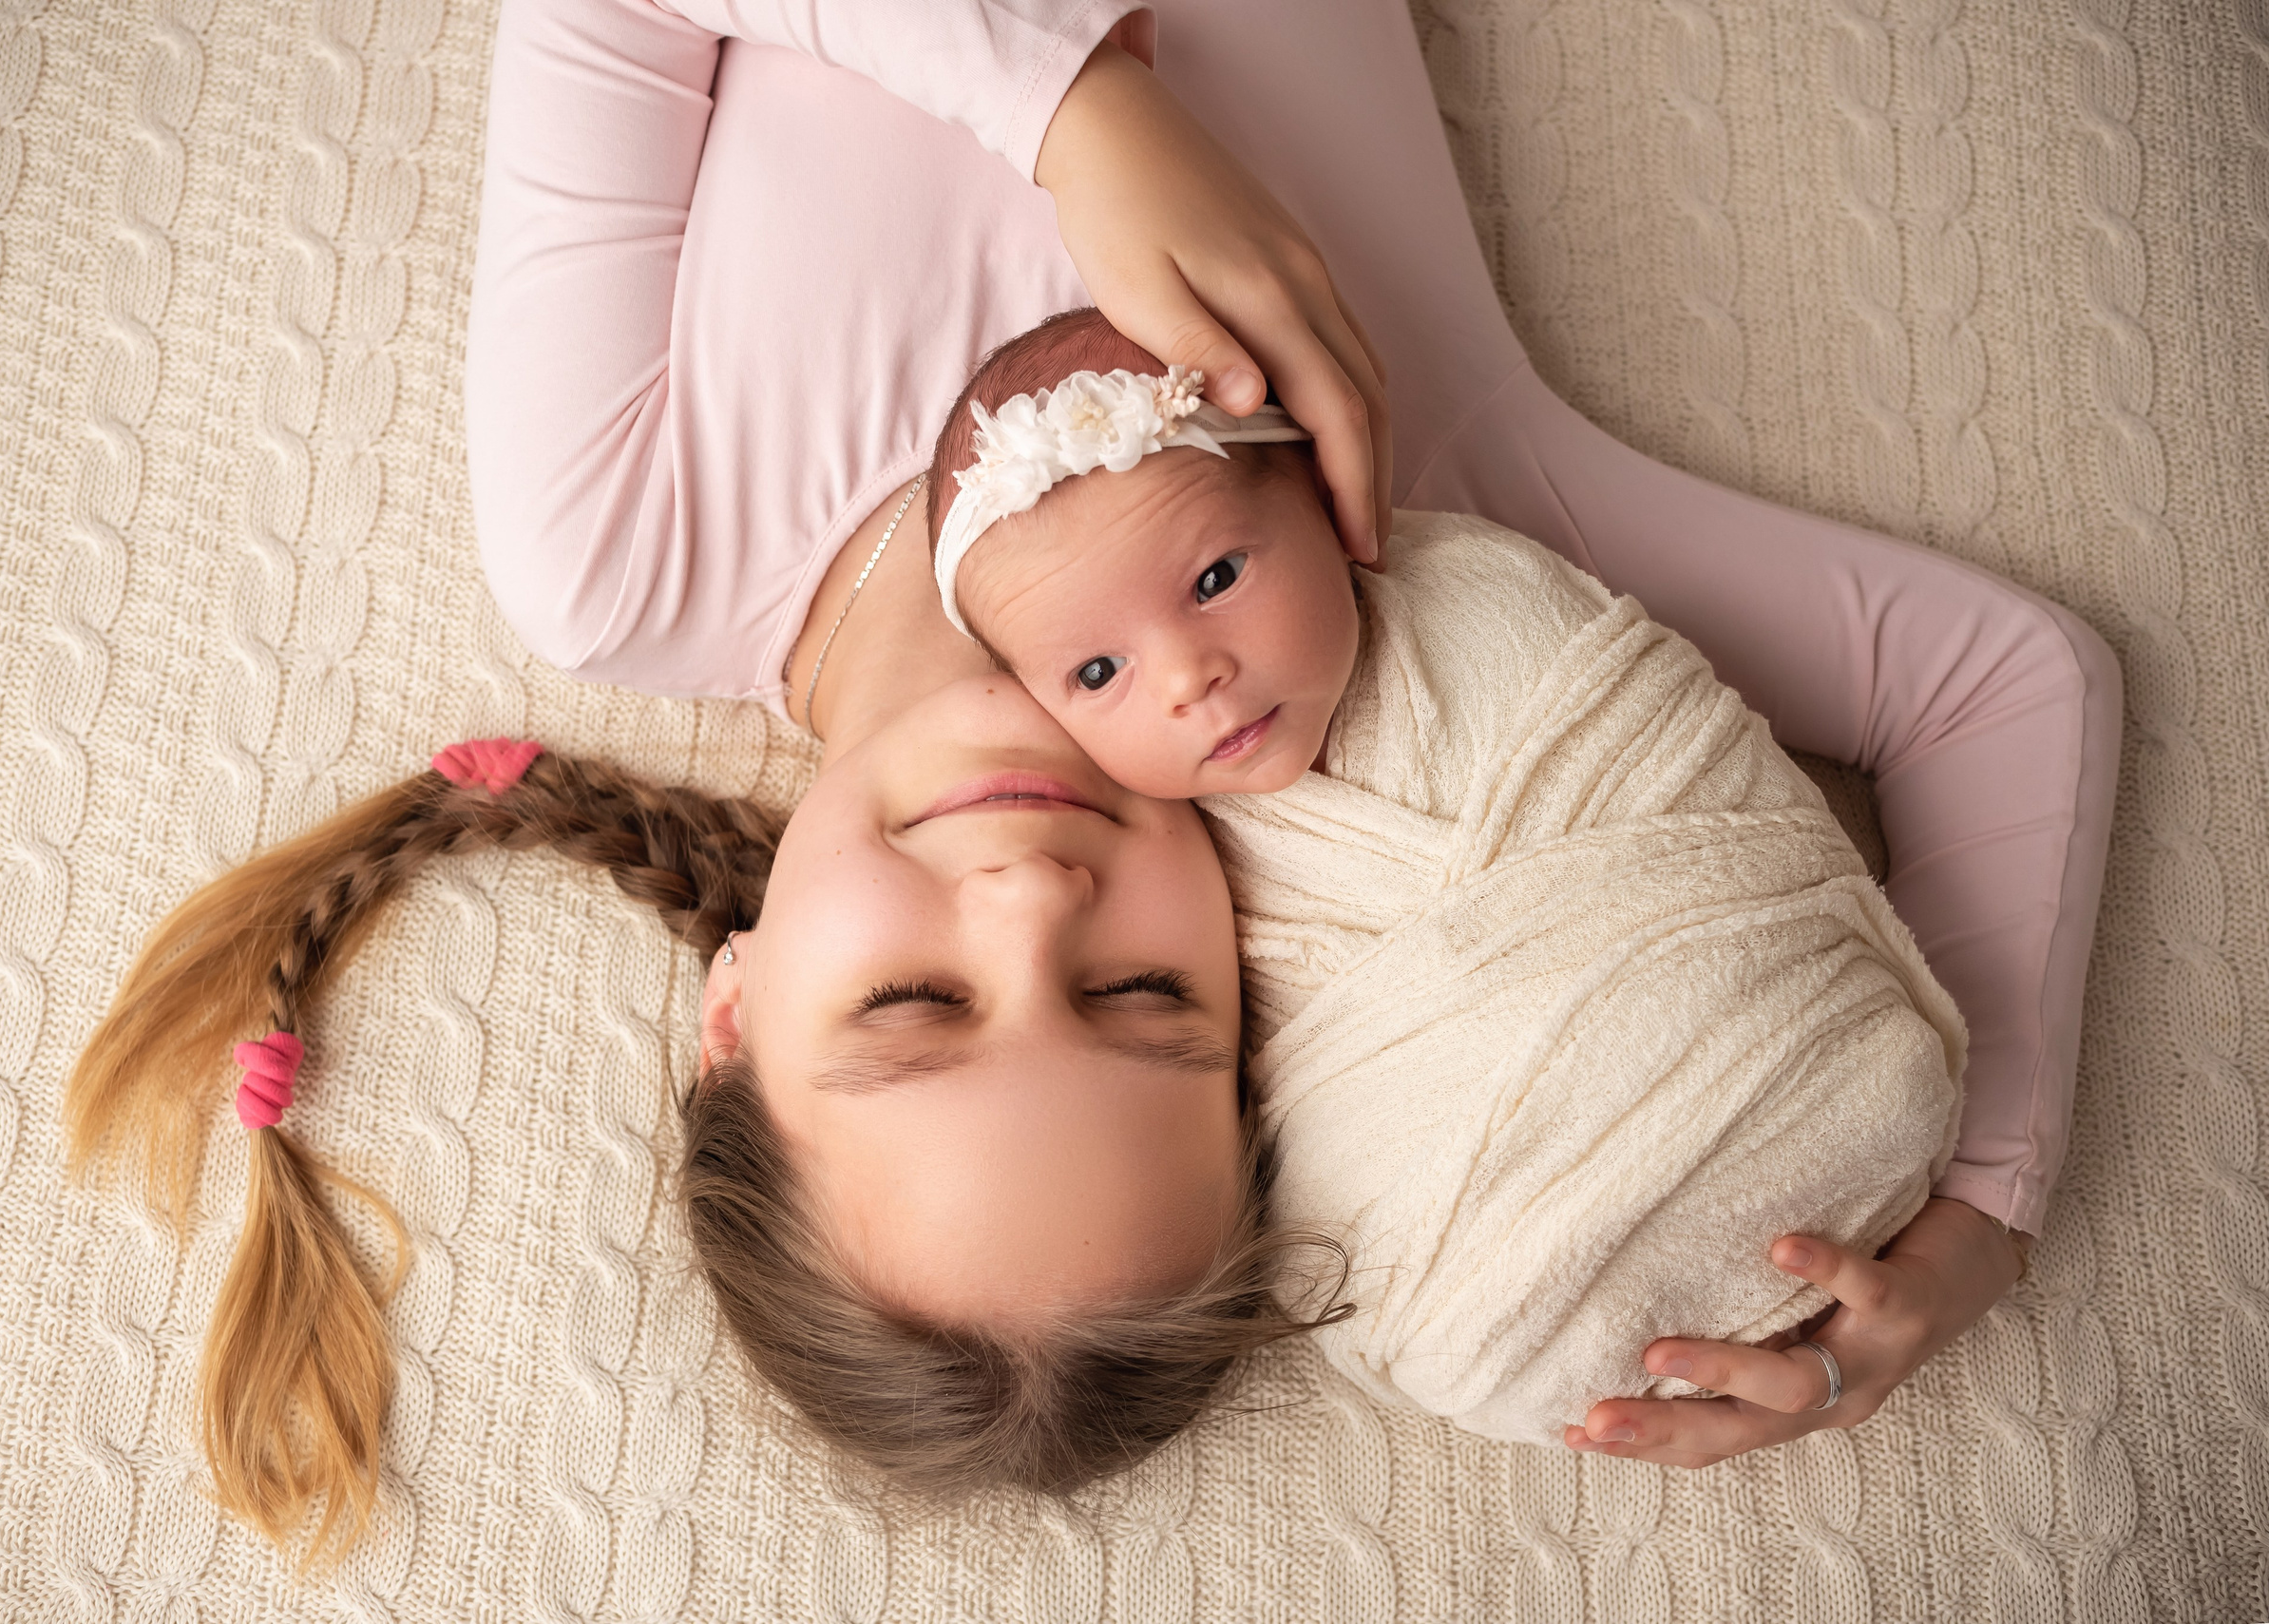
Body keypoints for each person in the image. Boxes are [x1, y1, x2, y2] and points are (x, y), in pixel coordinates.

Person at [467, 0, 2118, 1471]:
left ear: (735, 1009)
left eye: (916, 1000)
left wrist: (1072, 113)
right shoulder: (1412, 548)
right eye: (1138, 994)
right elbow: (1998, 680)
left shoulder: (622, 545)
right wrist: (1981, 1204)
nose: (1034, 896)